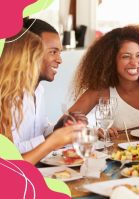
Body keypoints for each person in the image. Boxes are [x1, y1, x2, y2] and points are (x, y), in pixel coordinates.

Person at [64, 24, 139, 137]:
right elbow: (64, 125)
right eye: (126, 56)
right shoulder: (102, 91)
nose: (134, 63)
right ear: (110, 60)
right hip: (119, 155)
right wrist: (92, 132)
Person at [0, 30, 84, 165]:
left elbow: (38, 132)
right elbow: (11, 162)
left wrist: (57, 131)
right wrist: (51, 142)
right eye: (38, 58)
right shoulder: (4, 99)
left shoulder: (36, 90)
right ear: (19, 61)